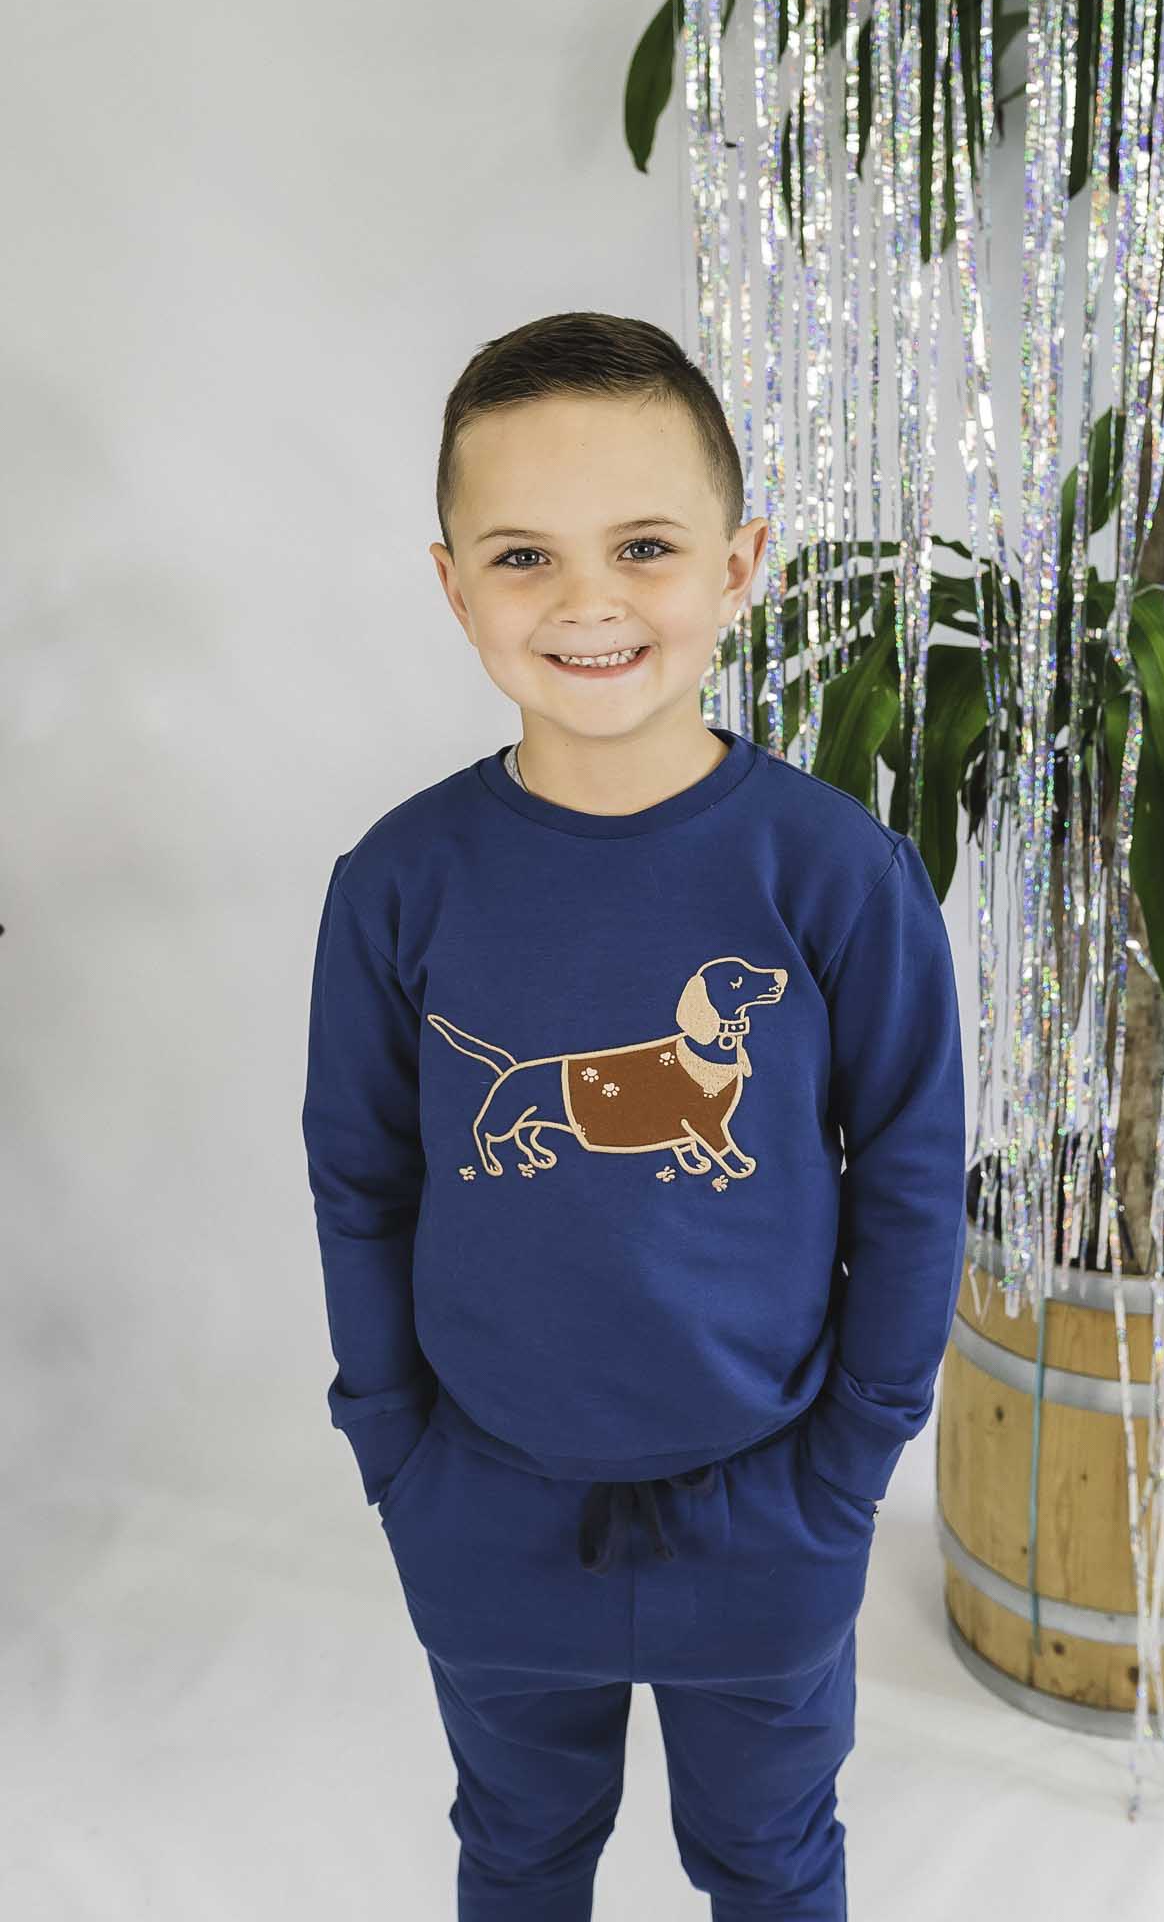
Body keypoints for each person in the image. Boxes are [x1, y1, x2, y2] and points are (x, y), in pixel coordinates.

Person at [301, 310, 968, 1920]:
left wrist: (851, 1459)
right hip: (480, 1504)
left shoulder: (835, 871)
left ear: (737, 566)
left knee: (767, 1858)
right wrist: (393, 1443)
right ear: (454, 586)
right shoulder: (397, 882)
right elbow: (361, 1177)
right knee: (521, 1850)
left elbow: (909, 1174)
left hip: (772, 1503)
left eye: (644, 546)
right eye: (523, 556)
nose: (587, 601)